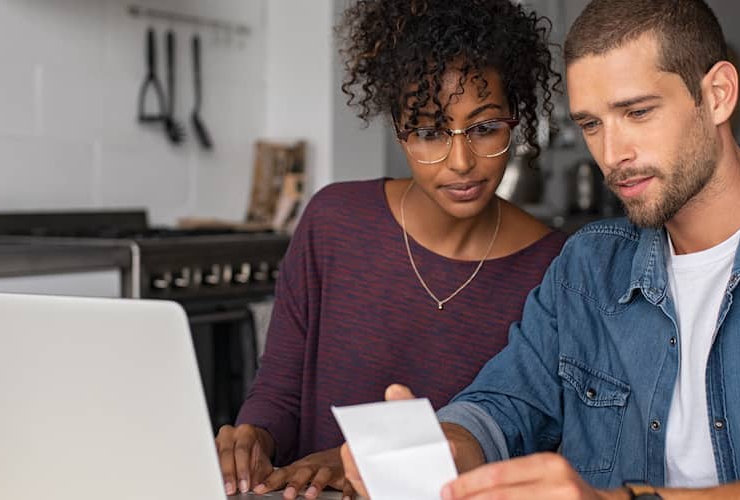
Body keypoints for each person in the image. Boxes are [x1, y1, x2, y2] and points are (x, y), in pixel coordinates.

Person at [342, 0, 740, 499]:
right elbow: (503, 403)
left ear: (717, 95)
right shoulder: (586, 268)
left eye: (636, 112)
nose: (612, 154)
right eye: (592, 123)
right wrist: (444, 444)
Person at [215, 1, 566, 499]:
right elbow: (280, 393)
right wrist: (255, 437)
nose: (461, 161)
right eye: (428, 132)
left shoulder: (555, 269)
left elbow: (529, 440)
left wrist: (358, 465)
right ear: (397, 128)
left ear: (517, 118)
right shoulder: (333, 222)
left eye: (485, 127)